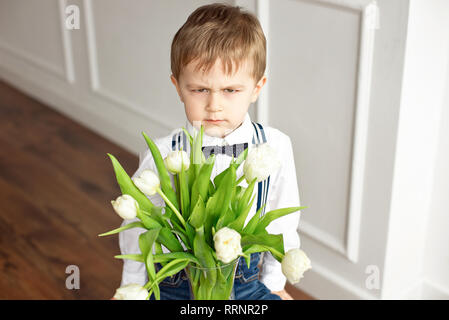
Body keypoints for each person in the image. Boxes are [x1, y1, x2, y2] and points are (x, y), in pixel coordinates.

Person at [118, 2, 301, 300]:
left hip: (247, 284)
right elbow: (138, 225)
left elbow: (282, 224)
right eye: (200, 90)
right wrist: (131, 285)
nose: (214, 105)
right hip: (176, 285)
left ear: (257, 88)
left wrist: (275, 283)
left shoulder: (275, 147)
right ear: (178, 87)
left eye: (231, 90)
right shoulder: (166, 152)